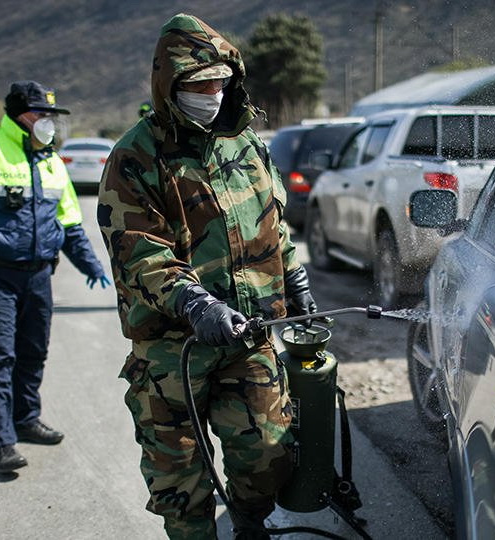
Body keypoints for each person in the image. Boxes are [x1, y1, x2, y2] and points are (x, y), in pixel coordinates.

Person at [97, 13, 317, 540]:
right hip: (174, 349)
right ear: (169, 85)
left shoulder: (246, 145)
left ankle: (248, 522)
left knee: (268, 457)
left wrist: (294, 276)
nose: (212, 93)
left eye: (220, 82)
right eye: (199, 85)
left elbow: (272, 225)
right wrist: (196, 304)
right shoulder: (135, 156)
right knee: (182, 488)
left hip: (249, 338)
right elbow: (140, 254)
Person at [0, 80, 111, 474]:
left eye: (51, 116)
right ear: (18, 115)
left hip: (38, 276)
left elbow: (67, 223)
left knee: (33, 353)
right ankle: (0, 441)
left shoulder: (49, 161)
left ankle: (25, 418)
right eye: (40, 115)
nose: (48, 122)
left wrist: (90, 264)